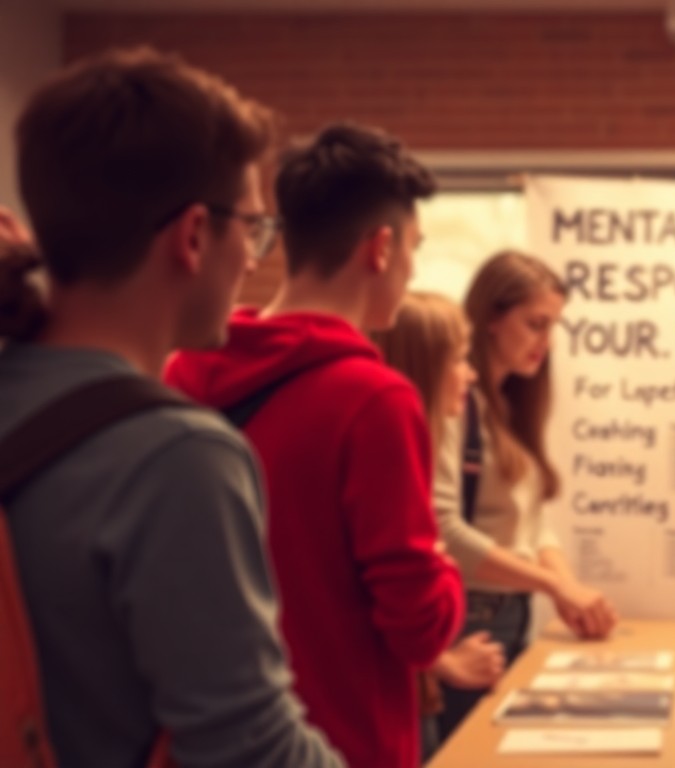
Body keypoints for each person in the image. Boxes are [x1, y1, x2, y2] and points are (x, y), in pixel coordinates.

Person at [0, 48, 343, 767]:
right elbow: (250, 750)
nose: (253, 259)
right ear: (192, 236)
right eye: (252, 227)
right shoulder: (174, 455)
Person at [164, 123, 463, 768]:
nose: (412, 270)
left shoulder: (179, 373)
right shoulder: (374, 399)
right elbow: (419, 628)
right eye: (414, 248)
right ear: (381, 248)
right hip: (344, 742)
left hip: (208, 740)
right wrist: (442, 567)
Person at [433, 249, 618, 739]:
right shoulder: (455, 404)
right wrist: (555, 586)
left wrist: (569, 589)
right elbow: (444, 529)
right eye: (535, 324)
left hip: (512, 614)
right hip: (468, 621)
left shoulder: (509, 406)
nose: (546, 343)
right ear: (492, 317)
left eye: (552, 327)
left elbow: (531, 524)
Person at [369, 290, 506, 756]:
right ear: (428, 367)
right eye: (460, 359)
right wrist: (444, 661)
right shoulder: (392, 459)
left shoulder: (421, 445)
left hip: (417, 685)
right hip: (399, 693)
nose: (470, 374)